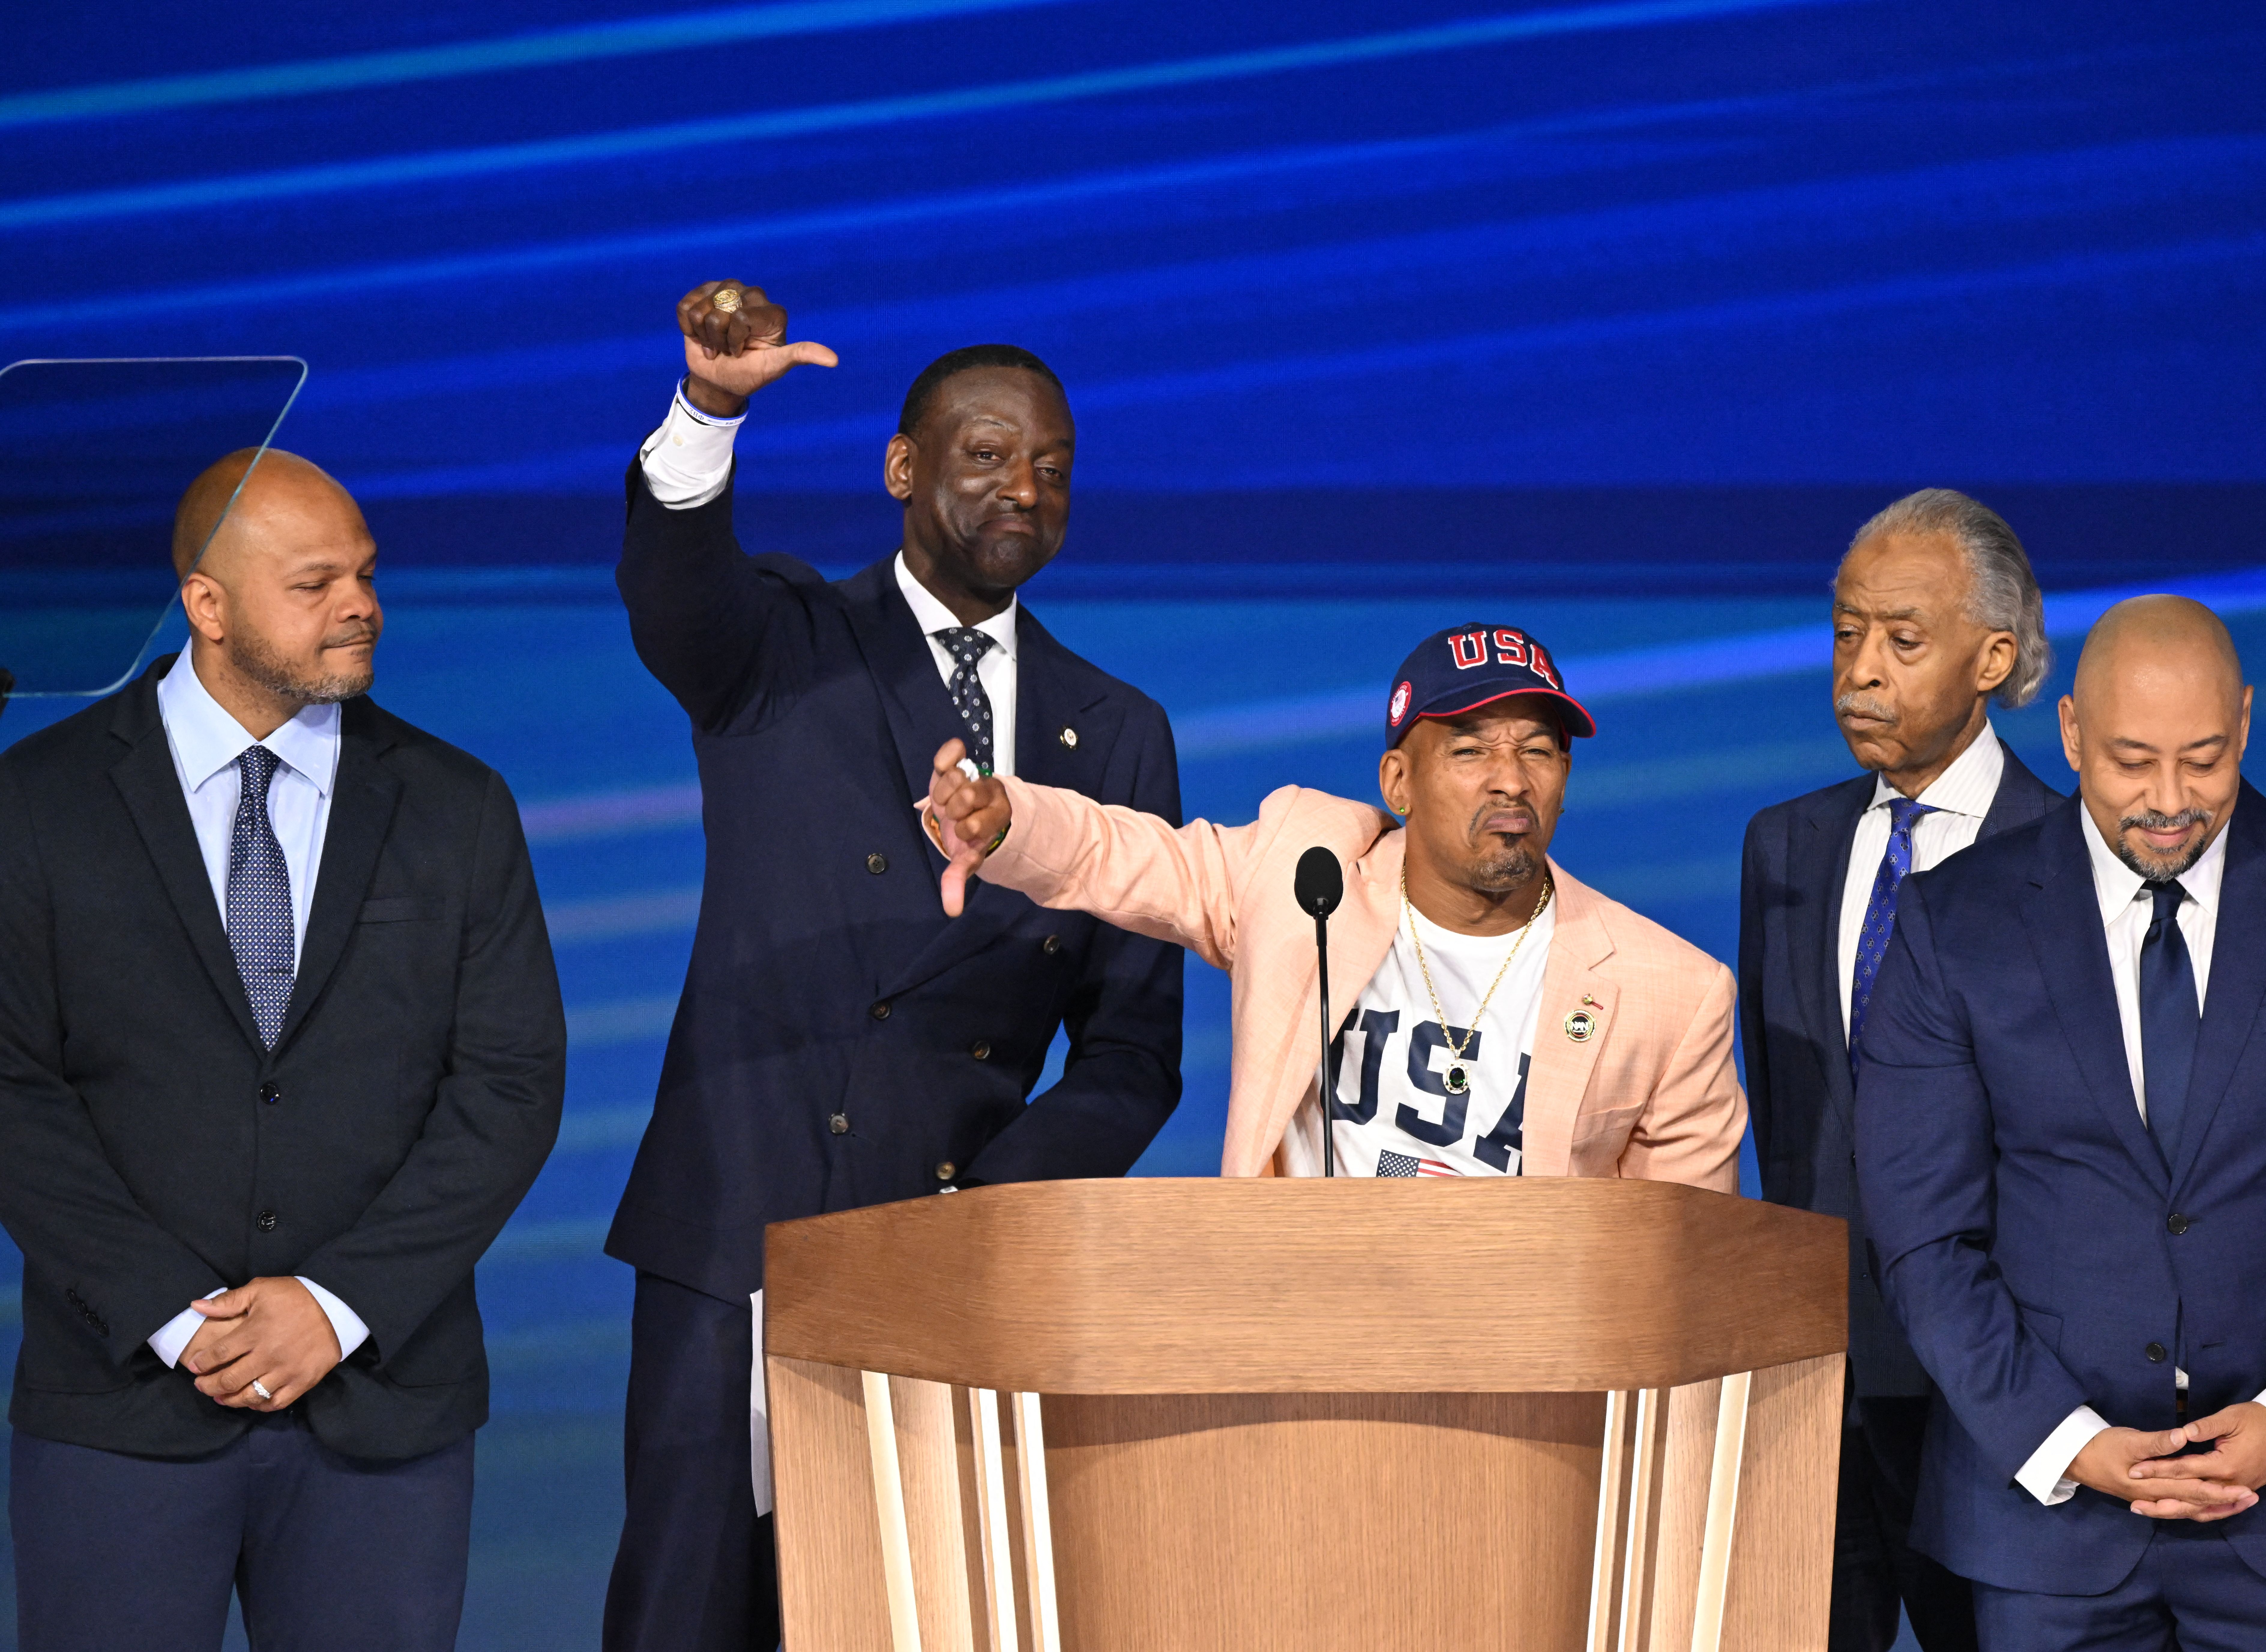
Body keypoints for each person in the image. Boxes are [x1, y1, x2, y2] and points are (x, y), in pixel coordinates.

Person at [604, 281, 1186, 1652]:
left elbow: (1132, 1050)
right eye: (987, 454)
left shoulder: (1118, 732)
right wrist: (709, 410)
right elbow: (671, 586)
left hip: (953, 1266)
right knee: (690, 1619)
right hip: (740, 1236)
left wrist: (983, 1214)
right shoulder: (783, 644)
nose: (1024, 489)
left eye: (1053, 466)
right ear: (902, 468)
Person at [0, 449, 565, 1651]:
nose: (359, 603)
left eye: (365, 573)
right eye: (315, 582)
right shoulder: (34, 803)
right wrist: (168, 1311)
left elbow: (509, 1085)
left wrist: (339, 1301)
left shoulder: (459, 806)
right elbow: (11, 1087)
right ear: (208, 605)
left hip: (384, 1412)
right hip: (120, 1408)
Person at [1856, 595, 2266, 1650]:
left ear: (2244, 723)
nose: (2170, 802)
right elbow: (1923, 1235)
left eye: (2203, 760)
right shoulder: (1950, 923)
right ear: (2068, 734)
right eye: (2132, 763)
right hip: (2048, 1527)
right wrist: (2068, 1441)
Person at [924, 623, 1743, 1188]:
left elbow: (1685, 1258)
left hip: (1523, 1374)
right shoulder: (1304, 875)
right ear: (1399, 784)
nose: (1511, 779)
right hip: (1302, 1337)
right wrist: (1008, 821)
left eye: (1539, 751)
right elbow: (1132, 857)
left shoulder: (1666, 992)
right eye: (1470, 751)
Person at [1738, 488, 2064, 1652]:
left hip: (1999, 1395)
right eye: (1845, 631)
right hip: (1817, 1387)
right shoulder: (1786, 845)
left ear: (1994, 656)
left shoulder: (2070, 863)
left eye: (1902, 639)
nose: (1860, 670)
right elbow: (1793, 1123)